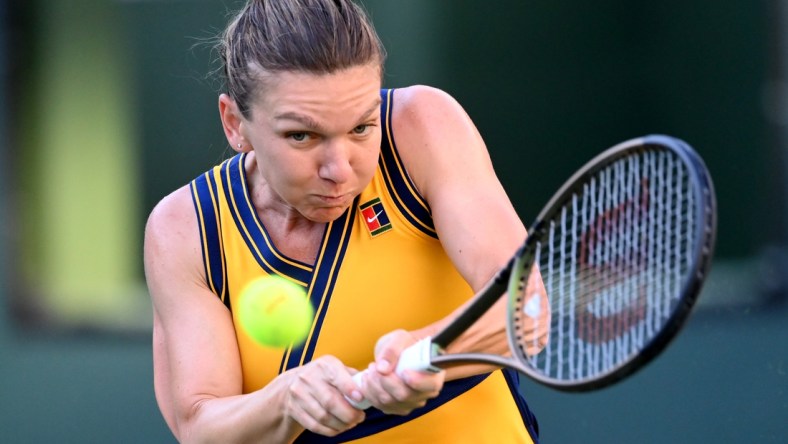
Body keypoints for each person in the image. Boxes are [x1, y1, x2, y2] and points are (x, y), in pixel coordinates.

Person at [144, 0, 546, 442]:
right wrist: (286, 399)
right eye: (302, 135)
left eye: (361, 128)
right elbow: (200, 427)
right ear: (234, 123)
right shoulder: (184, 228)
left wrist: (429, 352)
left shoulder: (423, 126)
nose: (340, 169)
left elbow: (525, 311)